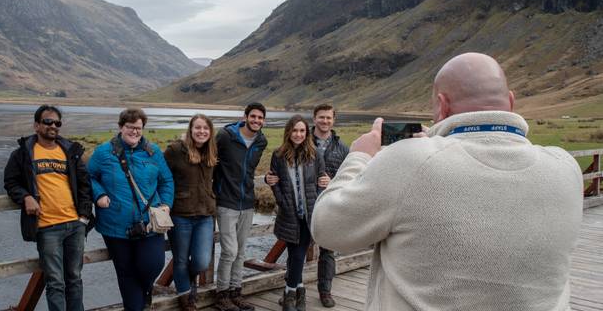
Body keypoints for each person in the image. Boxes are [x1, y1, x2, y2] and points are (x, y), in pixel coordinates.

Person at [311, 53, 583, 311]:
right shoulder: (566, 168)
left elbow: (327, 228)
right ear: (510, 102)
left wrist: (358, 156)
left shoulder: (410, 162)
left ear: (442, 105)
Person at [3, 104, 94, 311]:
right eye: (48, 122)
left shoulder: (70, 151)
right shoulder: (23, 153)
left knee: (74, 278)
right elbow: (11, 182)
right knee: (55, 282)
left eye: (57, 123)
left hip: (75, 225)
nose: (53, 126)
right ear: (36, 125)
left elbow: (84, 184)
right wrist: (25, 196)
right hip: (47, 227)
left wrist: (84, 217)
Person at [87, 108, 174, 311]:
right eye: (130, 127)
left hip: (150, 222)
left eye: (138, 128)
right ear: (120, 127)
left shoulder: (153, 152)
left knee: (152, 264)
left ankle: (146, 290)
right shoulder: (103, 152)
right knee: (126, 273)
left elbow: (166, 180)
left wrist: (166, 204)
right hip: (115, 224)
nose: (134, 132)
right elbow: (88, 177)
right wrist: (98, 194)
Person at [265, 115, 327, 311]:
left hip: (309, 215)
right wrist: (282, 202)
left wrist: (317, 200)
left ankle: (291, 293)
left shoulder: (315, 154)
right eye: (294, 130)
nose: (298, 134)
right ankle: (297, 293)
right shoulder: (278, 155)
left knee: (298, 255)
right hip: (289, 214)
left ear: (306, 133)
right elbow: (274, 181)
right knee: (295, 255)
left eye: (302, 131)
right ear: (288, 132)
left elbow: (321, 181)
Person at [213, 102, 268, 311]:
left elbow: (250, 170)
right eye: (253, 116)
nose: (256, 121)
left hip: (247, 203)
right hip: (226, 202)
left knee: (241, 251)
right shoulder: (225, 136)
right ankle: (221, 295)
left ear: (264, 121)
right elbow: (212, 161)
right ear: (245, 117)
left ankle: (236, 292)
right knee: (230, 251)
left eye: (260, 118)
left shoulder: (261, 141)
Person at [164, 114, 219, 311]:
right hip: (180, 215)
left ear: (210, 131)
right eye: (197, 127)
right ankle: (186, 298)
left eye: (205, 128)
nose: (201, 131)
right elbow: (162, 177)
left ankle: (187, 282)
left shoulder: (212, 151)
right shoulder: (175, 150)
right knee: (180, 259)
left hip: (205, 215)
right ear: (190, 129)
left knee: (202, 261)